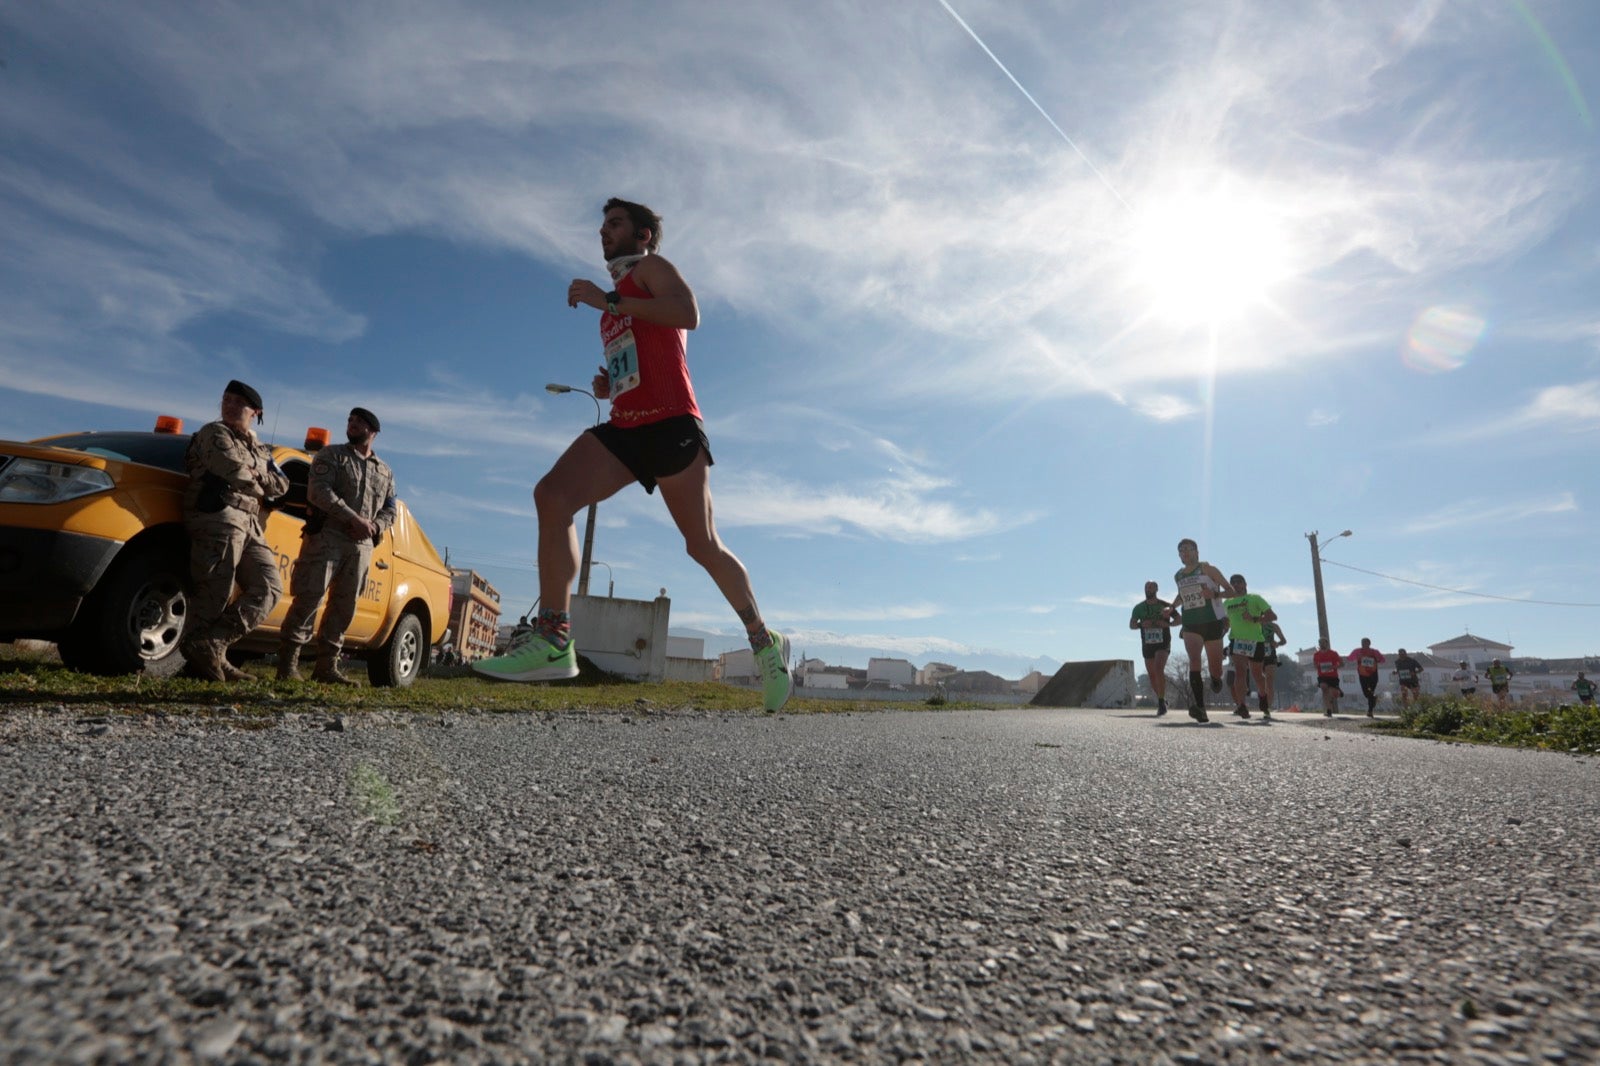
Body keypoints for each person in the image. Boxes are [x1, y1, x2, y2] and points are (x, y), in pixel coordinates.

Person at [473, 198, 792, 711]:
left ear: (643, 235)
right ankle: (554, 640)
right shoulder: (615, 297)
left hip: (672, 425)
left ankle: (763, 643)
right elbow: (640, 357)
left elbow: (688, 314)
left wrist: (612, 303)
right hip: (627, 426)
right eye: (602, 225)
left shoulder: (650, 270)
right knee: (552, 496)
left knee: (701, 545)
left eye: (615, 224)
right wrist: (610, 385)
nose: (604, 232)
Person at [277, 407, 396, 684]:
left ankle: (326, 667)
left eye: (359, 422)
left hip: (360, 546)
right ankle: (287, 665)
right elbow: (319, 492)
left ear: (373, 431)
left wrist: (374, 527)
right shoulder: (331, 455)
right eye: (350, 420)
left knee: (344, 606)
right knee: (309, 598)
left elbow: (390, 509)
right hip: (326, 538)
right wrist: (353, 518)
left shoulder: (385, 472)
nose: (352, 424)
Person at [181, 380, 289, 682]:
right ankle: (198, 660)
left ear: (255, 411)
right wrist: (260, 479)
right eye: (225, 400)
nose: (228, 406)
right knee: (216, 589)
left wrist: (260, 477)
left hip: (251, 521)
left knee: (269, 587)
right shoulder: (214, 433)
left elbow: (283, 484)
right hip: (219, 512)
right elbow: (232, 469)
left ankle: (213, 646)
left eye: (236, 402)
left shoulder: (259, 446)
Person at [1173, 538, 1231, 723]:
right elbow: (1182, 596)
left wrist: (1214, 594)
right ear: (1179, 556)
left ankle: (1216, 679)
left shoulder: (1208, 569)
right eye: (1182, 550)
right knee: (1194, 661)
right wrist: (1171, 607)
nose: (1186, 552)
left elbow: (1231, 591)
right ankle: (1200, 708)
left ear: (1197, 552)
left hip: (1212, 621)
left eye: (1189, 549)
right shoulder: (1178, 576)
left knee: (1215, 668)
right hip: (1191, 623)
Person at [1221, 574, 1276, 720]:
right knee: (1240, 672)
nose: (1236, 585)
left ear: (1245, 584)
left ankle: (1263, 696)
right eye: (1233, 583)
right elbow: (1225, 622)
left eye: (1239, 582)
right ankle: (1242, 706)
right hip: (1236, 640)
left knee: (1257, 674)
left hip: (1255, 641)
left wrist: (1254, 619)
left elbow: (1272, 616)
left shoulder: (1255, 598)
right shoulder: (1227, 603)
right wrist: (1221, 632)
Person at [1130, 580, 1180, 716]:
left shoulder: (1165, 605)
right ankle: (1162, 699)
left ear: (1157, 589)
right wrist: (1141, 625)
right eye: (1146, 587)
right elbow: (1132, 625)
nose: (1148, 589)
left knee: (1159, 668)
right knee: (1152, 675)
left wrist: (1167, 625)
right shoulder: (1138, 608)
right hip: (1147, 643)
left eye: (1151, 587)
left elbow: (1179, 620)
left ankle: (1160, 704)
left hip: (1163, 642)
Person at [1347, 638, 1387, 717]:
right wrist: (1352, 660)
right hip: (1362, 675)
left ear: (1369, 643)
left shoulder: (1375, 652)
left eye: (1366, 643)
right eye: (1362, 643)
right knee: (1366, 693)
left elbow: (1383, 660)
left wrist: (1377, 660)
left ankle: (1370, 711)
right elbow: (1349, 658)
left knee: (1370, 691)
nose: (1364, 644)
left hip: (1373, 675)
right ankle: (1373, 699)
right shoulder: (1357, 651)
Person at [1312, 638, 1344, 717]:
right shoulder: (1316, 655)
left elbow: (1342, 664)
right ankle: (1329, 710)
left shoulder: (1333, 653)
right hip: (1322, 676)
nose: (1322, 644)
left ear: (1327, 644)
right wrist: (1317, 666)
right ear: (1319, 644)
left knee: (1331, 692)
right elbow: (1315, 665)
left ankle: (1338, 692)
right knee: (1324, 688)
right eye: (1320, 643)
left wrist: (1333, 667)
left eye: (1324, 643)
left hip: (1333, 677)